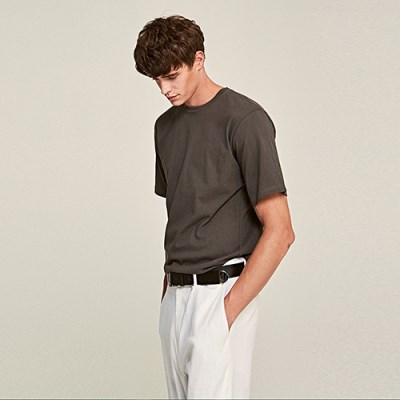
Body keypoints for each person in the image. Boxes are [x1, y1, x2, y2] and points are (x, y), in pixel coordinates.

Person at [133, 14, 295, 399]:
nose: (164, 89)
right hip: (175, 297)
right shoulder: (164, 128)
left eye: (171, 76)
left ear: (199, 59)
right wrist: (167, 300)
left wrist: (226, 312)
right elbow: (182, 216)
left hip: (220, 292)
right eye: (156, 80)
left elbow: (281, 231)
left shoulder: (245, 119)